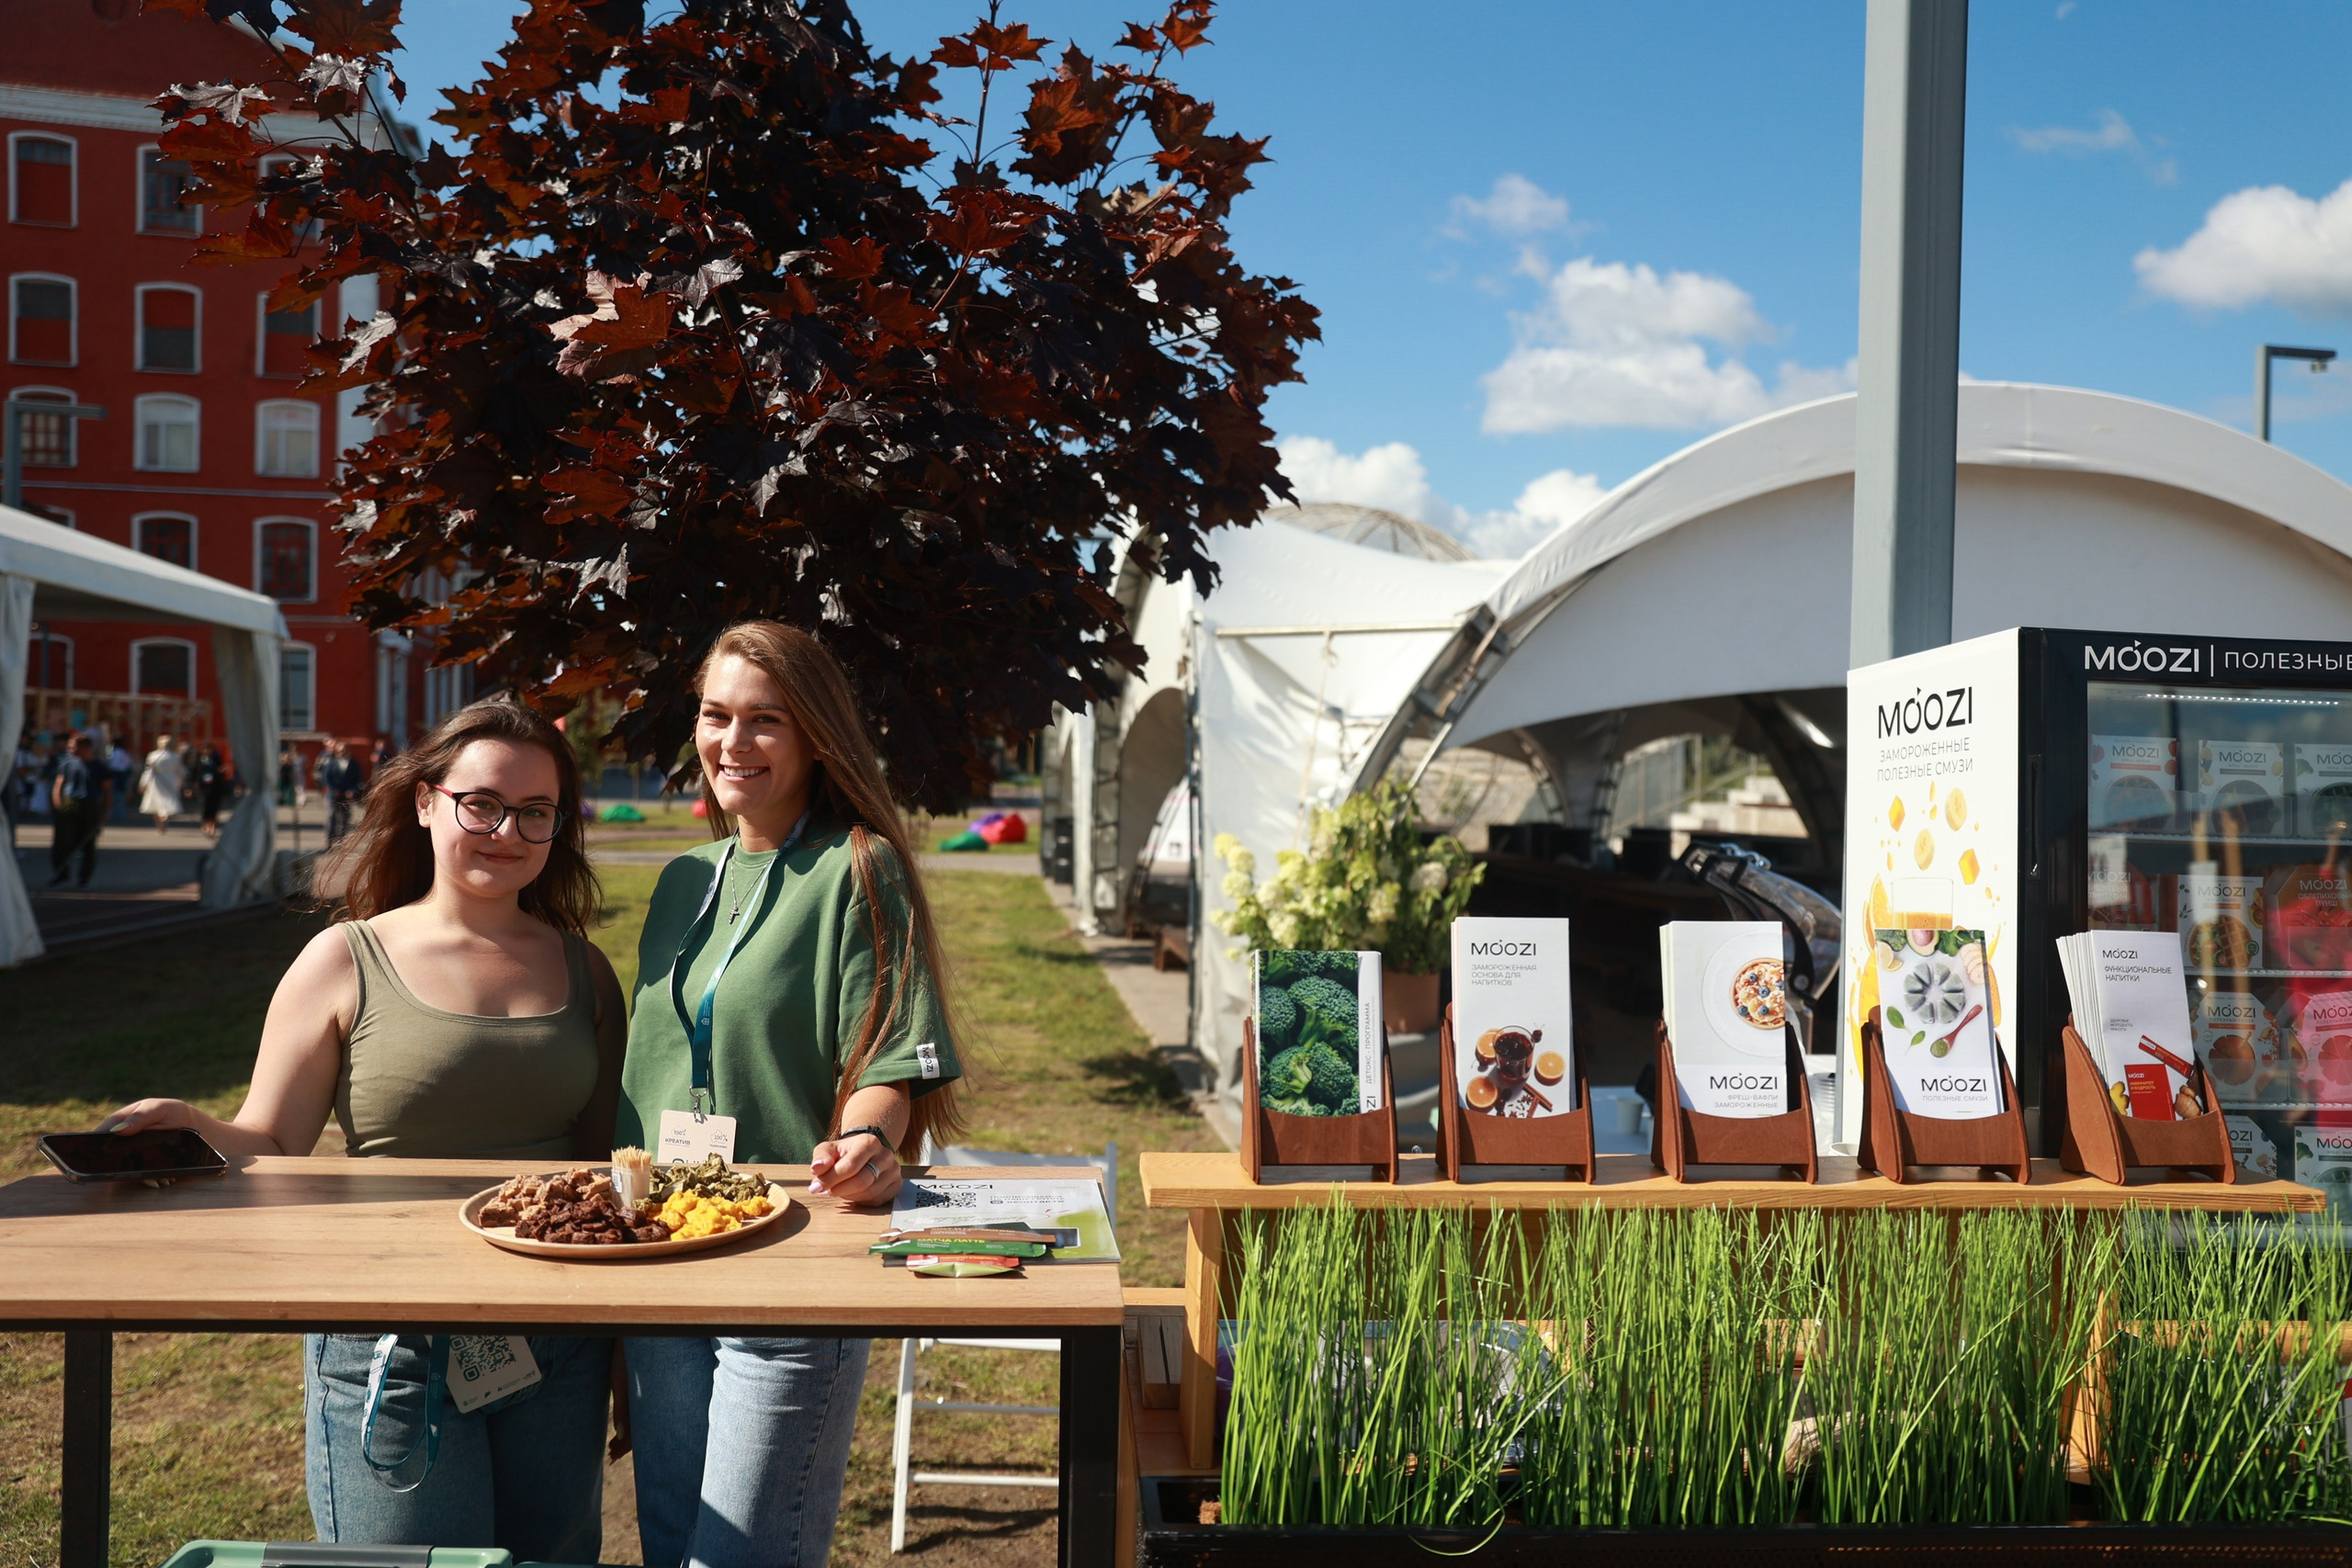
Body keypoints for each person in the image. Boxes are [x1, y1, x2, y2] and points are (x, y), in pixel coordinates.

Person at [100, 698, 628, 1562]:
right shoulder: (345, 957)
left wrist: (620, 1354)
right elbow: (270, 1141)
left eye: (537, 812)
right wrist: (186, 1125)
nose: (507, 830)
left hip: (555, 1348)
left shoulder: (586, 969)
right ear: (426, 801)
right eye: (482, 803)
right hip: (392, 1341)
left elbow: (604, 1172)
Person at [616, 621, 966, 1568]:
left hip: (787, 1258)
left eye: (764, 720)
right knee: (672, 1548)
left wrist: (865, 1140)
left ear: (815, 734)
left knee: (740, 1558)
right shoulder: (683, 879)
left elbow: (888, 1055)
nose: (732, 744)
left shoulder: (859, 867)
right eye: (715, 715)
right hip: (660, 1257)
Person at [48, 733, 111, 888]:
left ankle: (84, 877)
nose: (70, 749)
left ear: (85, 748)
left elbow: (107, 791)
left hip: (90, 805)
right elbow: (59, 784)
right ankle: (61, 874)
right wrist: (58, 804)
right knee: (61, 843)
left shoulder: (99, 767)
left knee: (88, 844)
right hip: (69, 804)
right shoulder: (67, 763)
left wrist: (104, 811)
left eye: (73, 746)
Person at [140, 734, 187, 833]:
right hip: (171, 780)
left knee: (156, 804)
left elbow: (148, 771)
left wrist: (143, 783)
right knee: (169, 802)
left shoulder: (152, 756)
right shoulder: (175, 757)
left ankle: (160, 823)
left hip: (155, 782)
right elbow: (181, 771)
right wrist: (181, 781)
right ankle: (164, 817)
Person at [196, 743, 230, 836]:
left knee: (214, 807)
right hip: (203, 787)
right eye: (205, 750)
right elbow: (194, 772)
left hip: (215, 786)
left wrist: (221, 771)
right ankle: (205, 824)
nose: (207, 752)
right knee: (205, 806)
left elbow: (223, 772)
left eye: (209, 749)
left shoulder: (216, 759)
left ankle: (212, 826)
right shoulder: (198, 760)